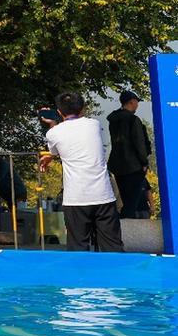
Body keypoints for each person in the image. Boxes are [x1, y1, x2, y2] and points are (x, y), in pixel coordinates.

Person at [40, 92, 124, 252]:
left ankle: (81, 276)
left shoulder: (53, 133)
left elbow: (55, 150)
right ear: (83, 109)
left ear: (59, 112)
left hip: (75, 199)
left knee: (78, 246)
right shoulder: (94, 124)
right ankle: (117, 274)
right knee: (112, 246)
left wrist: (52, 124)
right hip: (103, 196)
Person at [107, 89, 151, 219]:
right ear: (131, 102)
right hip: (134, 166)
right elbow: (139, 142)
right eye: (136, 102)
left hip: (117, 166)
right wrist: (144, 162)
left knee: (124, 200)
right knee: (132, 203)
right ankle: (128, 231)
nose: (137, 105)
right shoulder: (133, 120)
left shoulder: (113, 120)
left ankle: (122, 228)